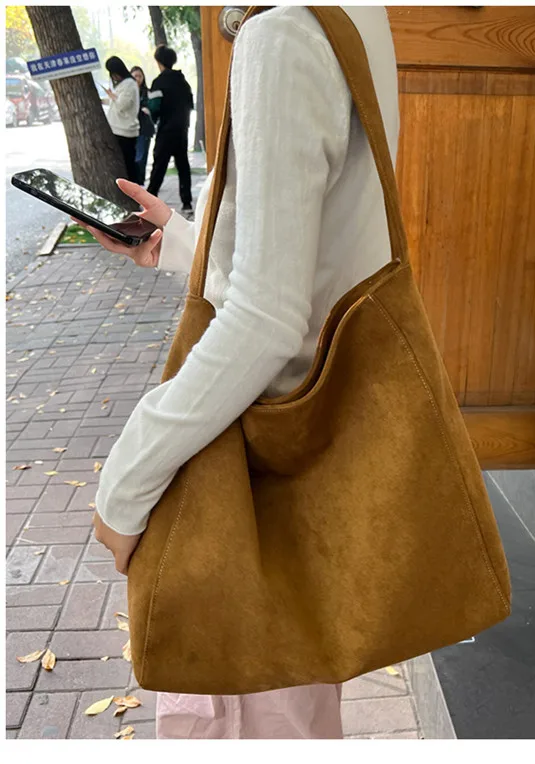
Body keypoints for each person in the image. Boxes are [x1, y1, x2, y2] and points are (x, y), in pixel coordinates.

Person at [77, 7, 399, 739]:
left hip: (251, 467)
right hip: (301, 463)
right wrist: (183, 243)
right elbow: (309, 261)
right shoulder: (352, 17)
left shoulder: (279, 31)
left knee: (239, 712)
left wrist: (124, 482)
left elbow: (266, 318)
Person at [146, 45, 194, 215]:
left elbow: (154, 107)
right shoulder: (184, 82)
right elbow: (190, 105)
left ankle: (149, 201)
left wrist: (153, 116)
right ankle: (187, 203)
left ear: (158, 61)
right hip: (182, 130)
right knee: (183, 166)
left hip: (166, 130)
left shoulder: (158, 82)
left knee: (159, 166)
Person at [103, 56, 140, 184]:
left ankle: (133, 189)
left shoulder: (129, 84)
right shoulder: (125, 84)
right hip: (119, 129)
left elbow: (122, 105)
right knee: (125, 164)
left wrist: (111, 96)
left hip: (125, 131)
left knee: (128, 164)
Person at [130, 66, 155, 186]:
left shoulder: (147, 92)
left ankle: (140, 182)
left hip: (144, 129)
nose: (138, 78)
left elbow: (151, 108)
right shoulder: (128, 91)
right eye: (135, 76)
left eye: (140, 76)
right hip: (130, 129)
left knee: (141, 157)